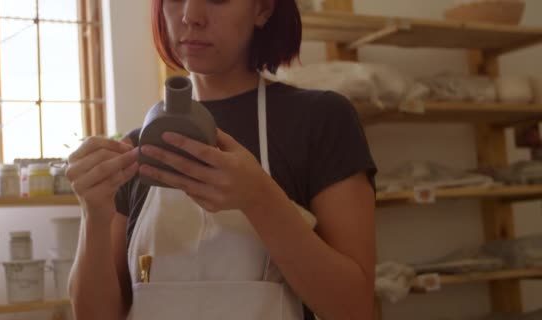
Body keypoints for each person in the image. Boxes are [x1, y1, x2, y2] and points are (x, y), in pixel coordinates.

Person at [67, 0, 377, 319]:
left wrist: (259, 199)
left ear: (263, 10)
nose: (191, 15)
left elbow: (353, 308)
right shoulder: (138, 148)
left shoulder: (320, 120)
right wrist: (94, 216)